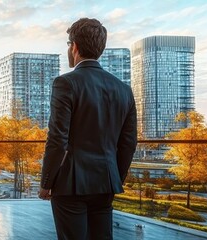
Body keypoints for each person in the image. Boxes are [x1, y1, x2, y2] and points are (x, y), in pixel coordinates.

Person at [38, 18, 137, 240]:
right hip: (105, 183)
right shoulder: (124, 90)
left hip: (70, 185)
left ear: (74, 47)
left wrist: (47, 182)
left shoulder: (65, 83)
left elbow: (57, 139)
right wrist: (114, 179)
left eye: (67, 44)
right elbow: (128, 144)